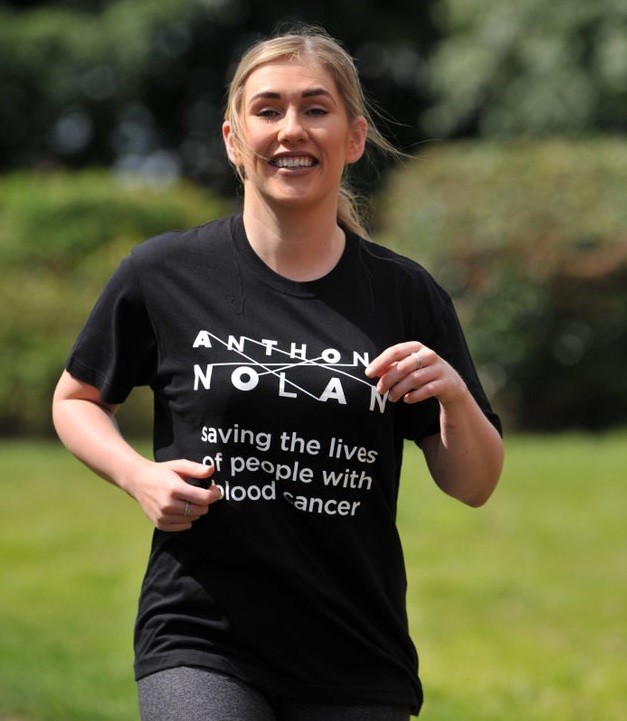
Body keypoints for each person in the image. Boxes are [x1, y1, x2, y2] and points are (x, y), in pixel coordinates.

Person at [52, 26, 504, 721]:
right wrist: (137, 474)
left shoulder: (405, 296)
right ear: (234, 139)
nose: (292, 129)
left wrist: (452, 395)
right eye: (268, 109)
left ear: (354, 138)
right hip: (201, 636)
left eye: (315, 109)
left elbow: (473, 484)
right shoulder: (165, 273)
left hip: (355, 650)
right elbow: (76, 398)